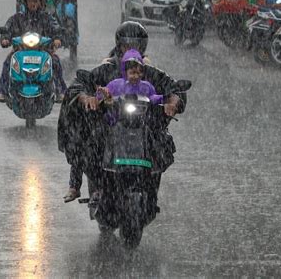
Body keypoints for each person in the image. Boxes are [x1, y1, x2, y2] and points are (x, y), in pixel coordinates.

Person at [59, 21, 186, 205]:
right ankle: (94, 186)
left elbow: (172, 88)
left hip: (143, 127)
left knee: (162, 143)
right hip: (111, 126)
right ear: (119, 46)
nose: (132, 49)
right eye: (127, 45)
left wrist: (172, 102)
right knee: (88, 143)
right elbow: (81, 84)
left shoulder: (149, 73)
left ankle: (151, 186)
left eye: (137, 45)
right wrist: (87, 98)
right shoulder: (107, 69)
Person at [0, 0, 67, 103]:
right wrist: (5, 39)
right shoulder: (17, 18)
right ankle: (2, 92)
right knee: (8, 62)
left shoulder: (47, 18)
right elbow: (8, 29)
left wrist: (57, 38)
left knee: (55, 62)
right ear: (25, 3)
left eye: (35, 1)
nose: (33, 4)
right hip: (20, 50)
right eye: (30, 1)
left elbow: (56, 29)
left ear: (40, 2)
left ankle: (60, 91)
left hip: (43, 51)